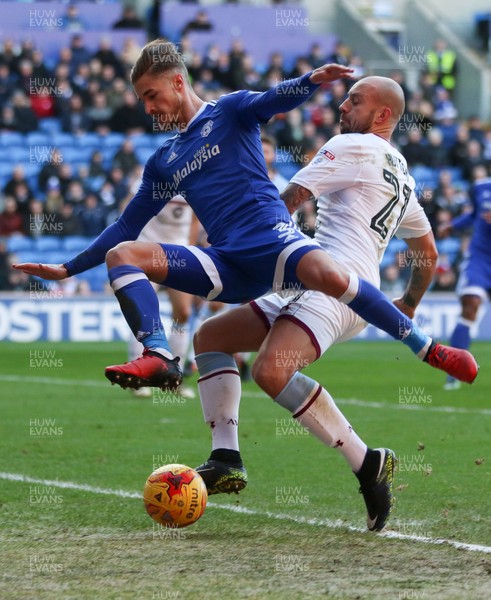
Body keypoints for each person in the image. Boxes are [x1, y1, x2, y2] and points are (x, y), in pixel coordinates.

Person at [12, 40, 477, 395]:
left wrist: (311, 80)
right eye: (142, 101)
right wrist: (68, 268)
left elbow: (271, 101)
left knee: (329, 275)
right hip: (229, 262)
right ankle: (159, 356)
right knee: (122, 254)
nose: (149, 109)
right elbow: (126, 225)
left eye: (152, 95)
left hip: (273, 241)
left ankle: (427, 348)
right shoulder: (163, 160)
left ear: (178, 82)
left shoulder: (229, 111)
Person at [191, 75, 439, 532]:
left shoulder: (354, 148)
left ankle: (367, 463)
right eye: (346, 97)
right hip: (320, 283)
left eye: (355, 100)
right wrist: (407, 302)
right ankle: (225, 456)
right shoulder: (401, 173)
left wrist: (241, 246)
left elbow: (289, 200)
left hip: (333, 287)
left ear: (382, 115)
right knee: (210, 338)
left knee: (270, 370)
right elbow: (429, 256)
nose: (343, 106)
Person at [439, 172, 491, 390]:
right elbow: (474, 215)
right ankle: (455, 370)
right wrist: (454, 225)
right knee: (470, 305)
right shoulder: (480, 187)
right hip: (480, 258)